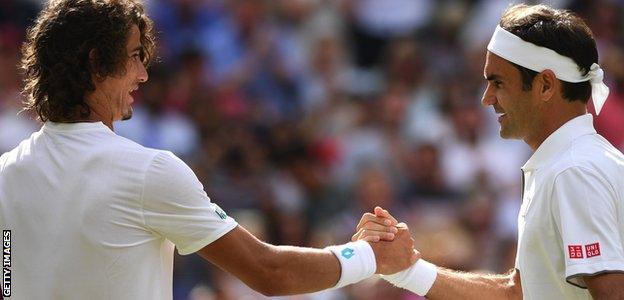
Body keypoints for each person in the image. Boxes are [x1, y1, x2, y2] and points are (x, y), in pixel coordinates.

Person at [0, 0, 418, 299]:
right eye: (132, 57)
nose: (144, 74)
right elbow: (269, 272)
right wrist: (369, 256)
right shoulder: (150, 171)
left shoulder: (5, 173)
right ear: (96, 63)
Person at [354, 4, 624, 299]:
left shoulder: (573, 172)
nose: (487, 99)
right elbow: (516, 292)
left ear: (545, 85)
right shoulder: (569, 165)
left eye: (498, 82)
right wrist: (407, 269)